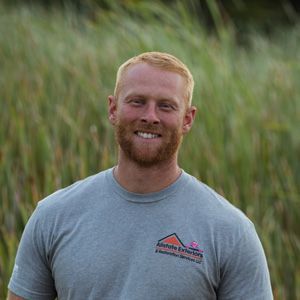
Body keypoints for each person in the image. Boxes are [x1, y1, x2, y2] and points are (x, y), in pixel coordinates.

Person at [8, 52, 273, 300]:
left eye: (166, 106)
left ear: (188, 119)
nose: (150, 117)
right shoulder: (53, 216)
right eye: (137, 102)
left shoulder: (230, 231)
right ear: (113, 109)